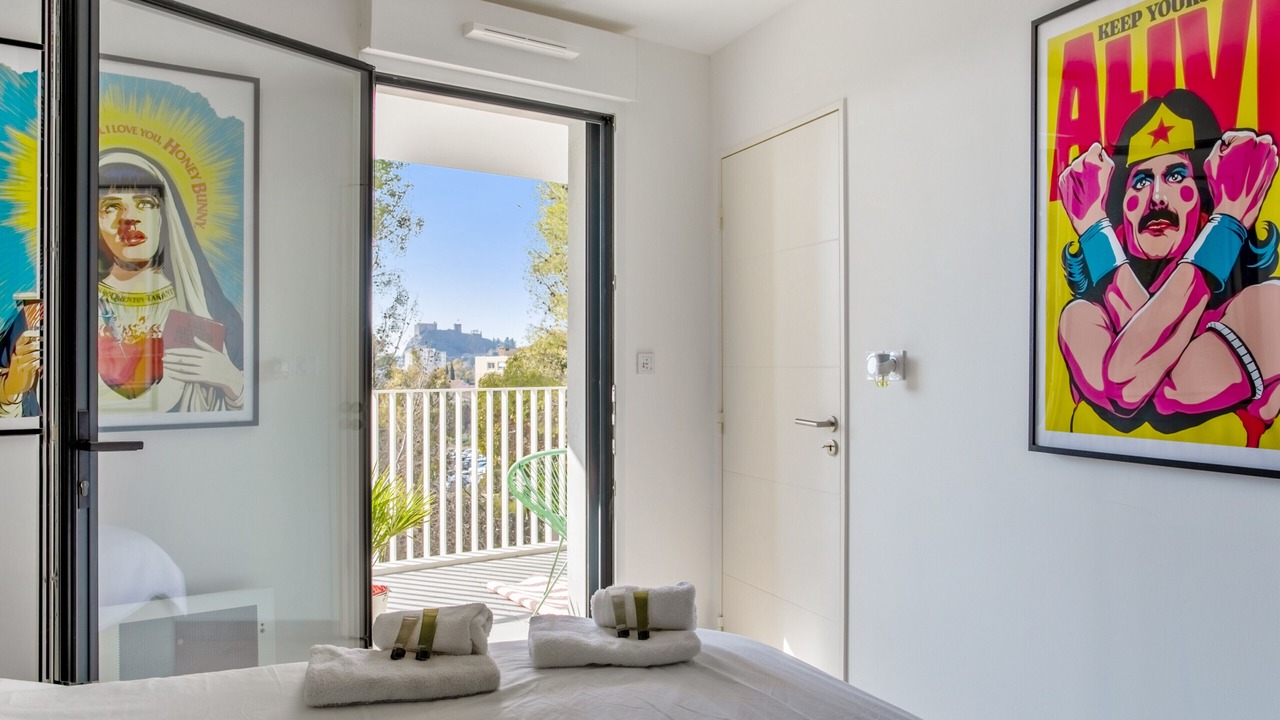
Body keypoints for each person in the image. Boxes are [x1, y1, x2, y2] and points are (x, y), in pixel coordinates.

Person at [1056, 89, 1280, 446]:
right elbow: (1130, 385)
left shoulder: (1266, 307)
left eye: (1176, 176)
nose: (1157, 196)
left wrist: (1230, 223)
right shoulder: (1080, 317)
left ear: (1207, 204)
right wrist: (1227, 225)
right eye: (1141, 181)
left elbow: (1145, 388)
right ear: (1121, 211)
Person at [96, 149, 245, 416]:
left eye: (145, 203)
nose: (129, 218)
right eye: (111, 206)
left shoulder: (206, 306)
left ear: (165, 215)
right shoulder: (63, 308)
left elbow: (254, 405)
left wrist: (231, 380)